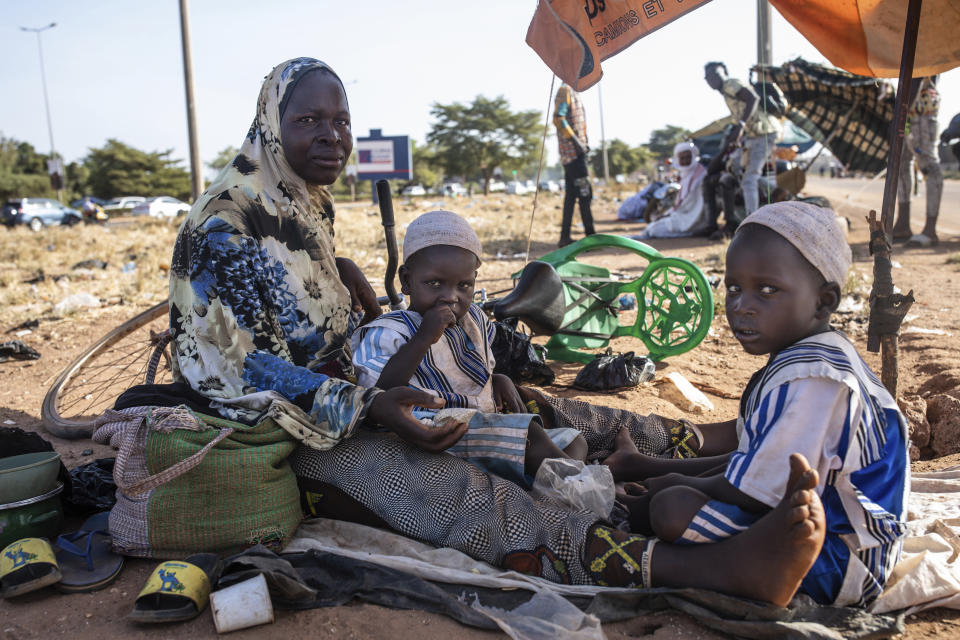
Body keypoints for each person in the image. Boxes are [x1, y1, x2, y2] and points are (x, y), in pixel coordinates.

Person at [169, 57, 826, 605]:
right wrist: (371, 403)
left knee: (527, 402)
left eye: (339, 119)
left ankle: (708, 440)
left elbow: (300, 307)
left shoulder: (299, 202)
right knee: (454, 489)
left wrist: (352, 294)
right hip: (275, 430)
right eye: (308, 119)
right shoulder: (228, 220)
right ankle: (702, 568)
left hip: (346, 395)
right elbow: (249, 370)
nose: (331, 134)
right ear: (270, 124)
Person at [604, 202, 909, 607]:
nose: (741, 305)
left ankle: (741, 571)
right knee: (671, 495)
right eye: (734, 288)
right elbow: (750, 460)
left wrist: (670, 486)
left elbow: (753, 489)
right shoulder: (806, 357)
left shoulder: (813, 379)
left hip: (840, 562)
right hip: (821, 540)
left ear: (824, 302)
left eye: (767, 290)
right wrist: (650, 467)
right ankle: (733, 560)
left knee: (670, 509)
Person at [351, 210, 587, 483]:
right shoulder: (389, 331)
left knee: (574, 439)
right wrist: (423, 338)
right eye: (434, 283)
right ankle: (580, 484)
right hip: (431, 432)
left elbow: (478, 370)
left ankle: (563, 481)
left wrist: (497, 379)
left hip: (482, 425)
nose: (451, 297)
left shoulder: (474, 319)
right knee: (530, 436)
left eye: (464, 285)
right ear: (406, 280)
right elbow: (379, 395)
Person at [704, 62, 782, 219]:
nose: (713, 79)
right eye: (709, 77)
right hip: (752, 135)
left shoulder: (731, 84)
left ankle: (752, 220)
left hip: (765, 132)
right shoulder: (726, 94)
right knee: (735, 169)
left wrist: (740, 126)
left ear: (724, 74)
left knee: (749, 178)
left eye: (716, 75)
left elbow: (753, 98)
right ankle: (775, 192)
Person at [893, 76, 943, 247]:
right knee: (901, 162)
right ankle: (903, 224)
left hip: (923, 105)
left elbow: (919, 70)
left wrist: (901, 109)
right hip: (908, 109)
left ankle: (930, 230)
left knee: (929, 164)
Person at [636, 142, 710, 239]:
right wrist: (669, 214)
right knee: (652, 226)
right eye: (682, 158)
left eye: (688, 157)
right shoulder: (684, 174)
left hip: (693, 218)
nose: (685, 161)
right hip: (681, 214)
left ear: (693, 157)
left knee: (654, 230)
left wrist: (671, 214)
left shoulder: (700, 175)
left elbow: (689, 204)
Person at [553, 82, 595, 247]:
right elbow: (558, 118)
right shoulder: (565, 91)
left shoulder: (572, 92)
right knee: (585, 195)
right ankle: (591, 237)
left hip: (574, 154)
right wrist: (577, 142)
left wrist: (584, 142)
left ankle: (565, 237)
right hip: (574, 156)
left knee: (571, 197)